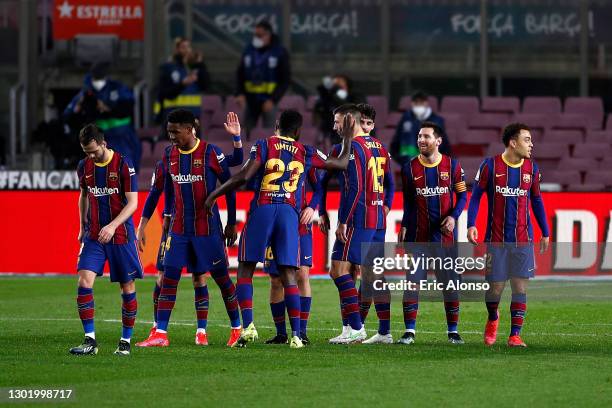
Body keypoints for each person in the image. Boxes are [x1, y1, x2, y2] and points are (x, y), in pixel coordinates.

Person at [204, 109, 354, 349]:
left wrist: (213, 195)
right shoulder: (306, 151)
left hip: (263, 209)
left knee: (245, 269)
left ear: (277, 125)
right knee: (288, 274)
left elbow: (243, 176)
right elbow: (342, 163)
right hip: (288, 213)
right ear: (297, 132)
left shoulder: (264, 145)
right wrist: (346, 138)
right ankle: (296, 335)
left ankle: (249, 326)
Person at [136, 109, 242, 348]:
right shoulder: (168, 155)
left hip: (208, 230)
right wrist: (142, 225)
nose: (171, 136)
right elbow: (155, 192)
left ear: (189, 129)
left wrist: (232, 222)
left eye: (175, 131)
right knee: (169, 278)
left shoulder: (210, 153)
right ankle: (160, 333)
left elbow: (229, 187)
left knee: (222, 280)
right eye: (168, 131)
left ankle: (237, 329)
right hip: (179, 229)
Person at [467, 123, 550, 348]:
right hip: (496, 240)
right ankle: (493, 318)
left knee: (519, 287)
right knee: (494, 289)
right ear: (513, 143)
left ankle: (515, 335)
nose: (531, 144)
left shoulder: (531, 169)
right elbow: (475, 197)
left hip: (523, 239)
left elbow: (536, 200)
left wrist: (545, 231)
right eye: (527, 140)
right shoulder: (490, 166)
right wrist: (471, 224)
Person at [317, 104, 394, 345]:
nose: (335, 126)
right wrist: (385, 207)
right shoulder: (380, 147)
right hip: (378, 217)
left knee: (338, 270)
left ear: (352, 121)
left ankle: (356, 328)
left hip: (358, 217)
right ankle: (383, 332)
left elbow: (357, 188)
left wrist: (343, 220)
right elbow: (389, 183)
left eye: (338, 121)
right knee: (373, 276)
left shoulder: (351, 148)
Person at [69, 124, 141, 356]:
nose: (90, 156)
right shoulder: (84, 166)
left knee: (126, 286)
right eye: (86, 152)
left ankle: (125, 341)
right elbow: (84, 196)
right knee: (84, 281)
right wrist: (82, 226)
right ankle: (90, 340)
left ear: (103, 143)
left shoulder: (123, 164)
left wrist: (112, 225)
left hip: (120, 234)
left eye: (93, 151)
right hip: (94, 235)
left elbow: (133, 203)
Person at [397, 121, 468, 345]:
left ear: (438, 141)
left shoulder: (453, 167)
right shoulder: (408, 168)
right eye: (419, 136)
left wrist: (453, 217)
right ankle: (409, 332)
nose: (421, 140)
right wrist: (404, 228)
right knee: (412, 283)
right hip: (418, 237)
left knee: (449, 285)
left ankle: (453, 332)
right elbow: (408, 203)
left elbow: (463, 196)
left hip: (444, 239)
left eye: (426, 136)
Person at [263, 164, 323, 345]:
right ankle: (281, 333)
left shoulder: (304, 157)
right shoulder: (267, 156)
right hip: (274, 224)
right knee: (275, 279)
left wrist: (312, 207)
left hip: (300, 225)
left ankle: (301, 331)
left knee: (302, 275)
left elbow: (320, 186)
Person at [63, 63, 142, 172]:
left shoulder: (116, 88)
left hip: (122, 137)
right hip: (99, 140)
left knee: (126, 171)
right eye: (95, 78)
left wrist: (109, 108)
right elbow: (68, 115)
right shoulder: (86, 93)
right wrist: (79, 108)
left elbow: (128, 105)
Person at [235, 21, 291, 136]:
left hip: (269, 100)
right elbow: (239, 74)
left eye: (259, 36)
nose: (256, 38)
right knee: (246, 132)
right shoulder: (248, 50)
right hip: (250, 100)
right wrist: (239, 93)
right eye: (255, 35)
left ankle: (270, 154)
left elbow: (285, 80)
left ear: (268, 35)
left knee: (271, 134)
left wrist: (273, 100)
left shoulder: (279, 52)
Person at [155, 38, 210, 122]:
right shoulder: (169, 68)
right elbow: (164, 93)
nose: (187, 50)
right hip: (174, 116)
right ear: (177, 50)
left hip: (193, 116)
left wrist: (200, 64)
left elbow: (205, 86)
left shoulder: (196, 68)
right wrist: (183, 84)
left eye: (188, 47)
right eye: (183, 47)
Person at [390, 91, 450, 166]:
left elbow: (444, 146)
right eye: (416, 102)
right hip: (408, 165)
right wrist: (401, 160)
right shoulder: (405, 119)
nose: (419, 105)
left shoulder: (437, 121)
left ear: (426, 103)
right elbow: (396, 142)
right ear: (412, 103)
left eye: (421, 102)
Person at [314, 74, 364, 145]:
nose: (337, 84)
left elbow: (353, 109)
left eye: (340, 82)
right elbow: (320, 111)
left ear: (346, 84)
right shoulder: (331, 97)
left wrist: (336, 94)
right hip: (336, 133)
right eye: (335, 83)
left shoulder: (356, 95)